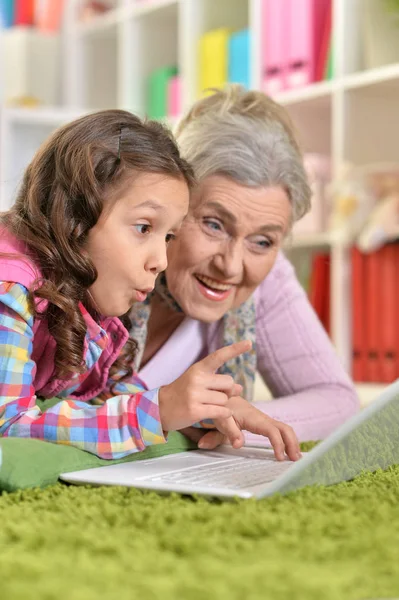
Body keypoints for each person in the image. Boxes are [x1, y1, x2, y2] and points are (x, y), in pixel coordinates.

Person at [0, 109, 300, 461]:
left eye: (169, 235)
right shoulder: (11, 288)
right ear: (74, 219)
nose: (162, 260)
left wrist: (201, 408)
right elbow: (9, 424)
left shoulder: (88, 299)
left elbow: (106, 393)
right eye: (144, 227)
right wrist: (154, 412)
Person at [129, 86, 360, 450]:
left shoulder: (264, 276)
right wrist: (162, 411)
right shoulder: (109, 252)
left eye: (263, 241)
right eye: (213, 224)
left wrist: (228, 414)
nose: (231, 266)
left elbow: (337, 401)